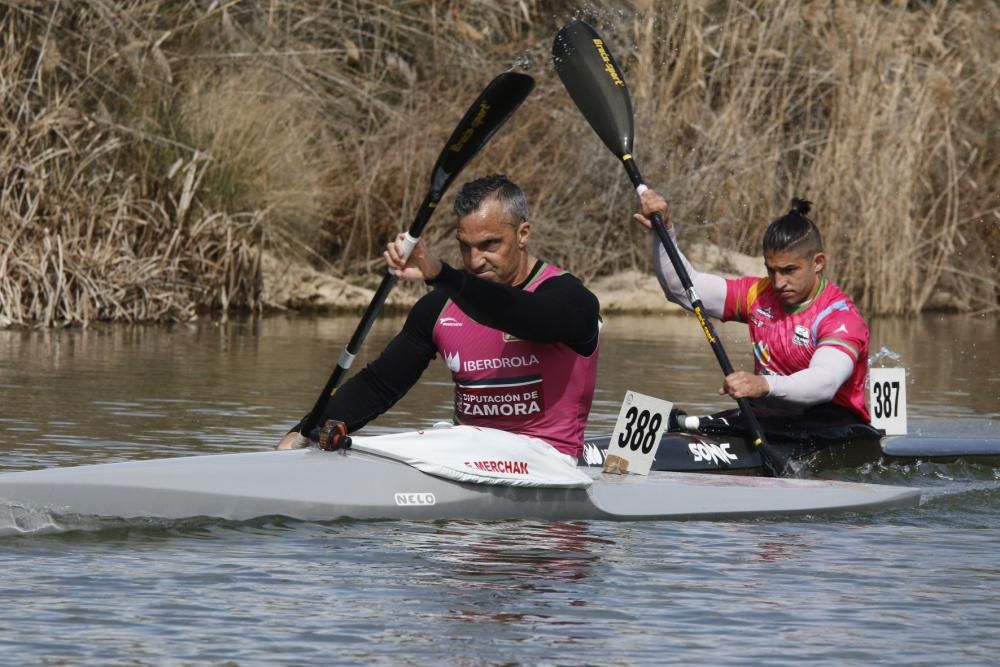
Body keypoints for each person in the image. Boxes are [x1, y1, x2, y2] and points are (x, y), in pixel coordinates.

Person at [277, 174, 601, 459]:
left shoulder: (570, 300)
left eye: (490, 245)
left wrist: (441, 275)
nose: (475, 262)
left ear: (523, 234)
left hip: (548, 460)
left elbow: (519, 315)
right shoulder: (440, 308)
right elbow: (379, 385)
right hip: (466, 453)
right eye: (465, 247)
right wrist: (305, 430)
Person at [633, 188, 870, 432]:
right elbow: (683, 290)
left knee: (732, 422)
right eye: (771, 270)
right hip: (772, 417)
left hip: (836, 424)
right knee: (712, 424)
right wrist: (664, 233)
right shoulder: (758, 294)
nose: (778, 283)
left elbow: (825, 382)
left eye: (789, 270)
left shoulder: (840, 317)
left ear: (818, 262)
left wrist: (763, 385)